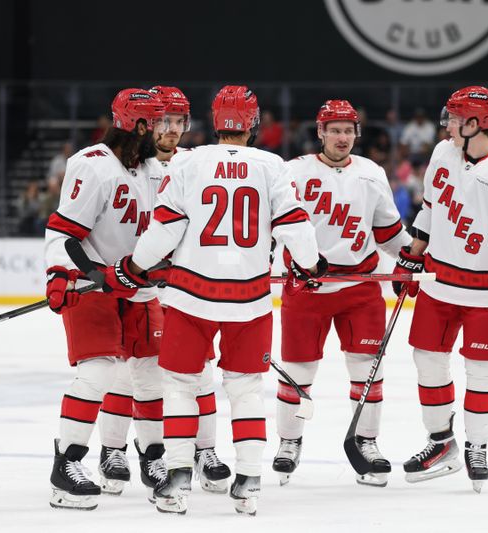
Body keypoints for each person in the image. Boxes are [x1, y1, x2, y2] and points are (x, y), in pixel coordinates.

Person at [98, 85, 324, 515]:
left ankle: (178, 478)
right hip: (249, 300)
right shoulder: (272, 165)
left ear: (214, 120)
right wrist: (312, 265)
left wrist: (133, 267)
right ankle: (249, 481)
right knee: (245, 389)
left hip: (190, 297)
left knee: (180, 386)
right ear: (253, 124)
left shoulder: (189, 162)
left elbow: (165, 229)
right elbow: (296, 227)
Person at [393, 86, 488, 493]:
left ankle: (476, 447)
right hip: (439, 285)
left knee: (482, 372)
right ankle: (441, 443)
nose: (447, 124)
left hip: (487, 295)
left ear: (476, 123)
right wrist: (413, 252)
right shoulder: (443, 153)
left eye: (455, 117)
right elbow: (430, 208)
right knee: (427, 361)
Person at [95, 85, 232, 495]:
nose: (170, 129)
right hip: (140, 288)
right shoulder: (131, 165)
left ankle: (204, 451)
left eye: (177, 121)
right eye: (163, 120)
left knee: (201, 373)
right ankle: (113, 450)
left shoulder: (197, 163)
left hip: (187, 290)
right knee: (124, 372)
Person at [272, 99, 411, 488]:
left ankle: (366, 442)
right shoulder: (292, 172)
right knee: (298, 372)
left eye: (349, 130)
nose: (342, 137)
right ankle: (289, 441)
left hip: (360, 288)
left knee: (368, 371)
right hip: (307, 285)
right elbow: (272, 225)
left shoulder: (370, 173)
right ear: (320, 132)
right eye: (334, 130)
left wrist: (410, 258)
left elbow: (388, 232)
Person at [43, 88, 169, 510]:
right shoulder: (92, 165)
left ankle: (154, 460)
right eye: (156, 123)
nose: (163, 132)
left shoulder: (155, 170)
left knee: (151, 376)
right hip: (93, 288)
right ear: (137, 125)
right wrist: (76, 274)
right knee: (97, 374)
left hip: (138, 289)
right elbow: (65, 232)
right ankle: (67, 463)